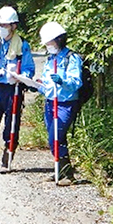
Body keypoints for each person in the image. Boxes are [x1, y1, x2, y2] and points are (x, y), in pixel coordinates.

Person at [0, 6, 35, 174]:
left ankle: (6, 161)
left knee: (12, 126)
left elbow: (29, 68)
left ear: (13, 26)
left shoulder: (22, 45)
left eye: (5, 25)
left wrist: (20, 76)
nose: (1, 28)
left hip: (13, 90)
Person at [37, 21, 82, 186]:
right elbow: (48, 85)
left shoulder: (72, 58)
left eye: (50, 42)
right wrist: (38, 86)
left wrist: (62, 81)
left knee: (56, 135)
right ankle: (62, 170)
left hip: (66, 103)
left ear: (59, 40)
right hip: (50, 102)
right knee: (54, 138)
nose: (48, 45)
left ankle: (68, 174)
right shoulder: (50, 59)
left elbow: (76, 82)